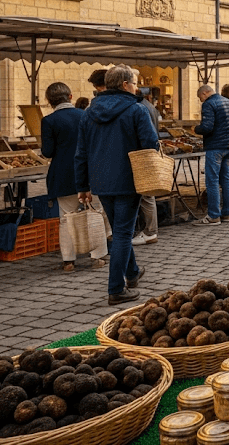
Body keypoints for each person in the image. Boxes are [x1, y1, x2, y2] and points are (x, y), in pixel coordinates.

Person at [75, 65, 159, 305]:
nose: (136, 86)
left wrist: (82, 185)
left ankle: (132, 273)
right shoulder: (136, 110)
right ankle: (116, 289)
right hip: (128, 179)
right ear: (124, 85)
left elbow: (80, 153)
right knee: (123, 233)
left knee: (119, 229)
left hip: (101, 182)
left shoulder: (89, 113)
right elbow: (150, 145)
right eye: (134, 82)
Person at [40, 82, 109, 272]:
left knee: (66, 218)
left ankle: (68, 260)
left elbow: (47, 152)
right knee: (95, 213)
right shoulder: (86, 115)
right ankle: (99, 256)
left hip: (63, 174)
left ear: (49, 101)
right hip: (90, 171)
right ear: (70, 96)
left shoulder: (49, 121)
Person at [193, 84, 229, 226]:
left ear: (204, 93)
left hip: (215, 146)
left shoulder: (209, 104)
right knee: (226, 180)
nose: (201, 101)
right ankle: (226, 213)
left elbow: (207, 127)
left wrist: (196, 129)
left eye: (200, 98)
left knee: (212, 180)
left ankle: (214, 215)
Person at [132, 88, 161, 246]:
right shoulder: (150, 106)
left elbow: (148, 135)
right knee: (147, 194)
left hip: (142, 155)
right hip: (148, 153)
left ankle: (150, 230)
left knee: (146, 195)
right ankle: (150, 230)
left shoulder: (140, 108)